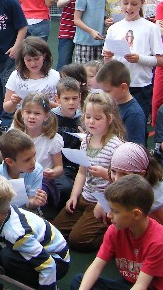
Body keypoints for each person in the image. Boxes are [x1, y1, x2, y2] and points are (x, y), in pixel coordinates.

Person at [74, 174, 163, 290]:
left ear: (136, 214)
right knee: (80, 282)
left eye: (115, 211)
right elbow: (97, 265)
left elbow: (141, 285)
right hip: (130, 284)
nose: (109, 215)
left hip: (151, 287)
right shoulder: (115, 230)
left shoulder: (158, 241)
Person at [0, 174, 70, 290]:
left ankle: (31, 283)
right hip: (38, 251)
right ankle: (5, 277)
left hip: (57, 262)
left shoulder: (17, 234)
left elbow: (48, 266)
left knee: (8, 256)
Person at [53, 92, 125, 252]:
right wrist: (74, 196)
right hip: (85, 196)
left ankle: (113, 234)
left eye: (97, 118)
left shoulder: (115, 146)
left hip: (102, 201)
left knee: (78, 241)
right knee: (56, 230)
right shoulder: (86, 140)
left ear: (109, 119)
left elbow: (122, 181)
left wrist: (105, 174)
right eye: (88, 117)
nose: (91, 122)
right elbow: (82, 172)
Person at [102, 0, 163, 126]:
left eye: (134, 4)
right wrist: (108, 57)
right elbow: (108, 62)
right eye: (125, 3)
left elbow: (160, 59)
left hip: (140, 85)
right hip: (118, 85)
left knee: (137, 125)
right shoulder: (114, 28)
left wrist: (139, 58)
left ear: (142, 3)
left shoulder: (150, 28)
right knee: (116, 126)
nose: (129, 8)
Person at [2, 37, 60, 114]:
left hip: (48, 121)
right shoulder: (16, 76)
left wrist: (44, 102)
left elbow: (61, 107)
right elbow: (7, 108)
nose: (33, 63)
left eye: (36, 59)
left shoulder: (55, 76)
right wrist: (13, 102)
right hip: (23, 121)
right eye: (28, 60)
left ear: (44, 56)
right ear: (23, 60)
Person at [96, 59, 146, 145]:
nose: (104, 95)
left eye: (107, 91)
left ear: (123, 87)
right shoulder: (111, 104)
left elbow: (135, 149)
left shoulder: (134, 114)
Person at [56, 0, 90, 70]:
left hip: (83, 32)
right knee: (64, 63)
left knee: (85, 64)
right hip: (67, 32)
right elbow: (59, 3)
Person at [72, 0, 109, 64]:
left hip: (100, 41)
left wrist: (106, 21)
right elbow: (77, 20)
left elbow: (104, 15)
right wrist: (91, 31)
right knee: (84, 72)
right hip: (84, 42)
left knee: (99, 71)